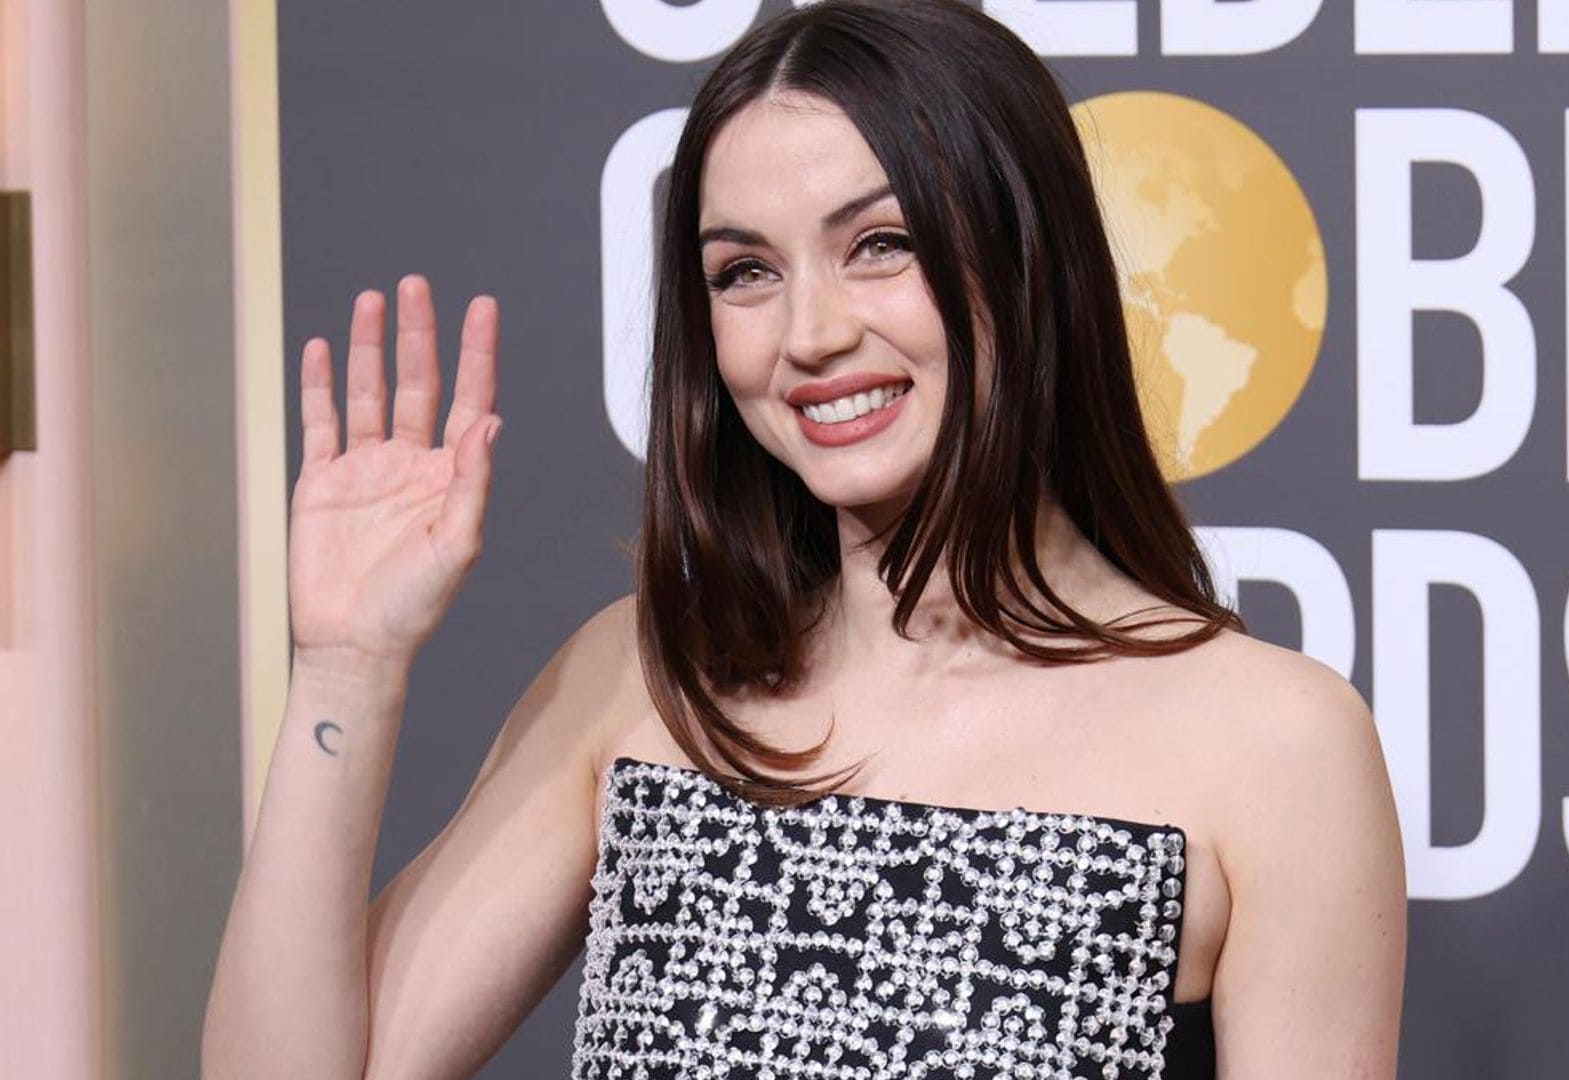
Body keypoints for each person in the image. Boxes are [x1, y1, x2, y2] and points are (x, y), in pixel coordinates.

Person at [202, 1, 1405, 1076]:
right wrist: (348, 667)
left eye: (879, 244)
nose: (810, 333)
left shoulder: (1273, 742)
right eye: (744, 273)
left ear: (1027, 257)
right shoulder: (647, 677)